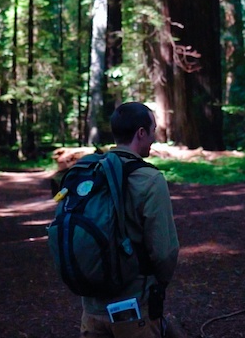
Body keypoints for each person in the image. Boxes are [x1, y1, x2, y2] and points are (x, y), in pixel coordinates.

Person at [79, 102, 180, 338]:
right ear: (141, 133)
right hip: (134, 309)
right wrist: (159, 286)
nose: (154, 137)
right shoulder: (150, 179)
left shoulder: (89, 172)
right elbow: (164, 252)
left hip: (91, 307)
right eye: (153, 129)